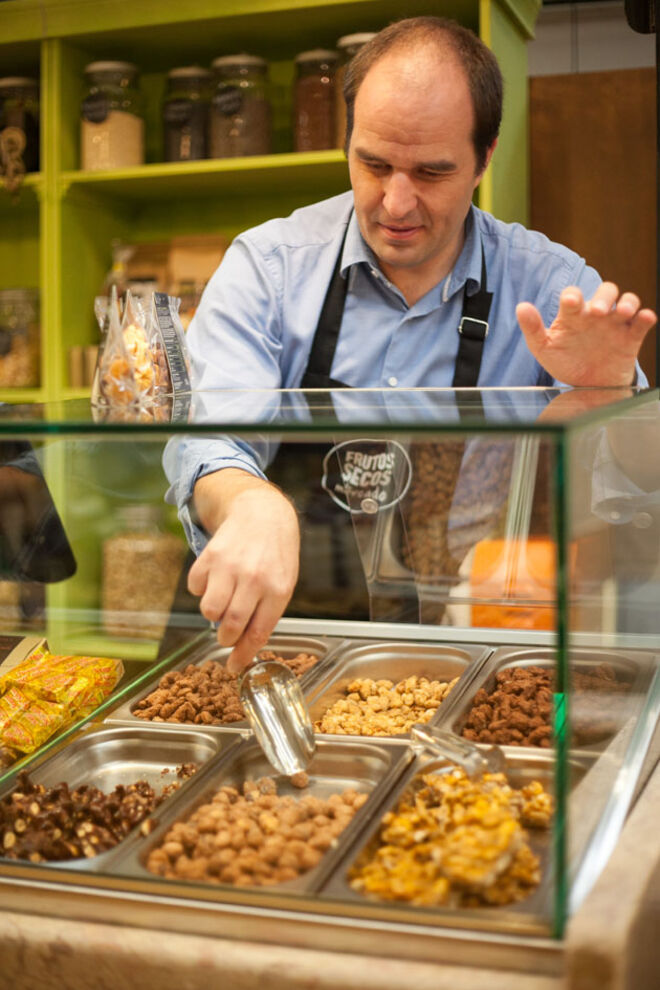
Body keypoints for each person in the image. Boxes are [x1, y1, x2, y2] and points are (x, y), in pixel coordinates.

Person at [164, 16, 657, 674]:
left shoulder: (555, 285)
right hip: (271, 627)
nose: (396, 202)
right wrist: (248, 502)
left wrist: (610, 396)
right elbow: (211, 435)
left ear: (485, 158)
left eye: (431, 172)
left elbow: (640, 486)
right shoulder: (269, 267)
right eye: (374, 164)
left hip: (467, 636)